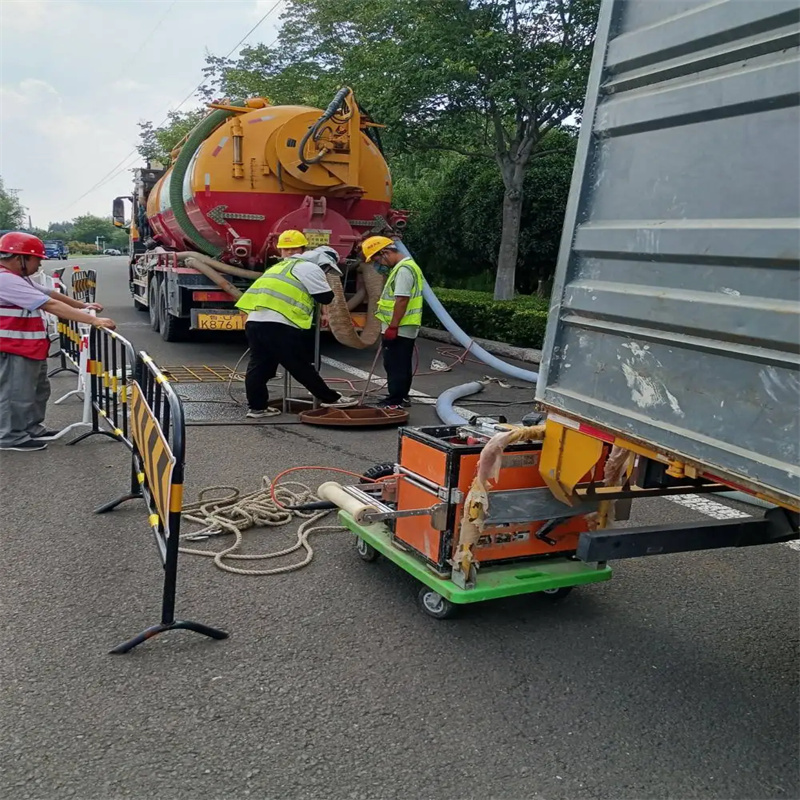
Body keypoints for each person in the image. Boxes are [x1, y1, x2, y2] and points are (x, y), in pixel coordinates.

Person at [0, 232, 116, 452]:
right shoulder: (5, 280)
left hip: (28, 347)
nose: (40, 264)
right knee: (16, 394)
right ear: (20, 258)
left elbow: (50, 295)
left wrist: (80, 306)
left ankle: (31, 428)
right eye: (37, 259)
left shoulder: (17, 278)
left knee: (36, 390)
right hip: (13, 348)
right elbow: (49, 305)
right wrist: (94, 320)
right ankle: (11, 436)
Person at [235, 230, 358, 418]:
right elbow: (325, 297)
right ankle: (329, 398)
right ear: (324, 263)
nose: (326, 272)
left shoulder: (278, 267)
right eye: (327, 269)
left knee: (259, 366)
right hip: (279, 324)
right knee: (299, 364)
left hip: (255, 322)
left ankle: (257, 407)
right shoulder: (310, 268)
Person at [361, 236, 424, 410]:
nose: (377, 263)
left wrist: (393, 326)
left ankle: (395, 400)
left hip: (400, 326)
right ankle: (400, 396)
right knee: (400, 363)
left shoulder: (403, 270)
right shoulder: (405, 267)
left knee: (395, 364)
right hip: (403, 326)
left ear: (385, 252)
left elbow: (402, 300)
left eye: (377, 259)